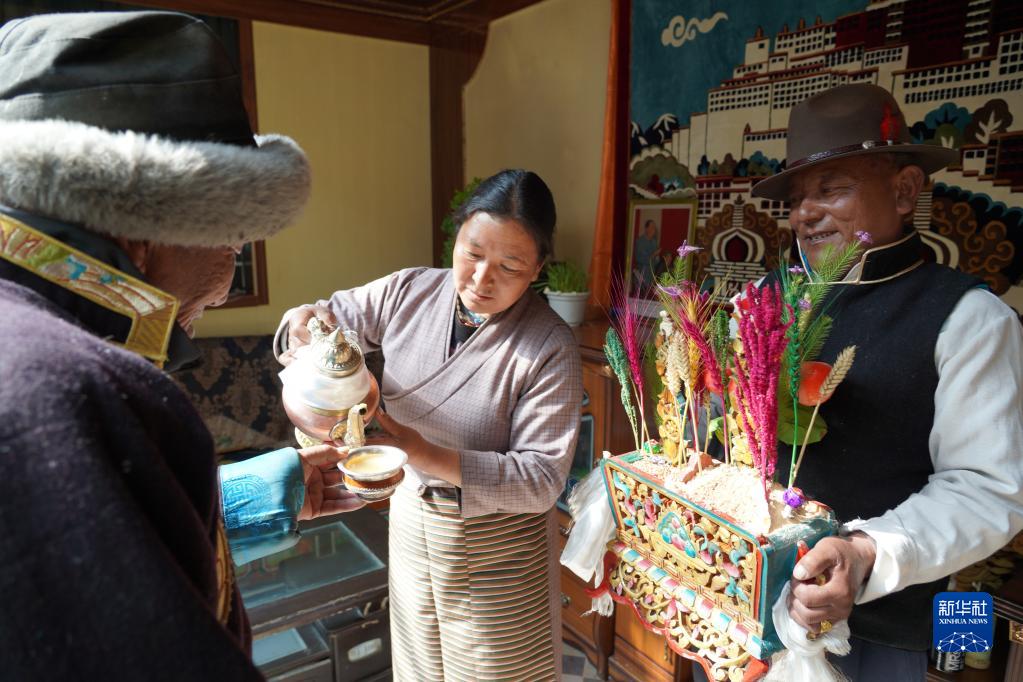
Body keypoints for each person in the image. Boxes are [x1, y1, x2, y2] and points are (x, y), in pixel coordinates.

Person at [0, 11, 362, 680]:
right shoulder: (63, 387)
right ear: (145, 232)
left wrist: (250, 497)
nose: (223, 292)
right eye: (232, 244)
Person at [701, 84, 1023, 680]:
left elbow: (987, 490)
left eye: (832, 190)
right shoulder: (766, 300)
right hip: (734, 605)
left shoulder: (968, 319)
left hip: (872, 634)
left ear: (904, 190)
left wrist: (864, 552)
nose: (805, 213)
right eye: (797, 198)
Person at [276, 169, 582, 681]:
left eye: (509, 266)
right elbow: (328, 316)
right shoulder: (410, 290)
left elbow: (541, 479)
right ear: (456, 237)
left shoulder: (550, 346)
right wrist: (306, 325)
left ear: (537, 268)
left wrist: (418, 450)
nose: (481, 279)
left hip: (499, 553)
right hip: (412, 523)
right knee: (419, 667)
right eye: (471, 253)